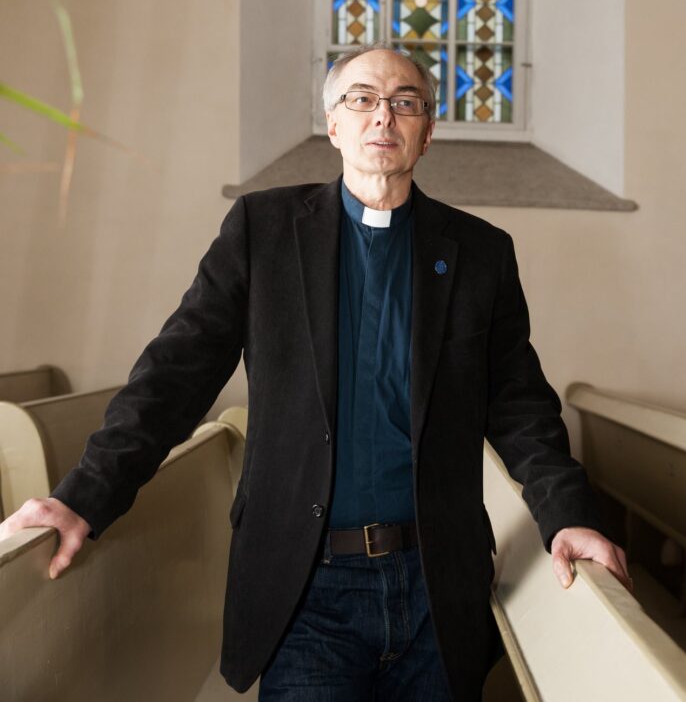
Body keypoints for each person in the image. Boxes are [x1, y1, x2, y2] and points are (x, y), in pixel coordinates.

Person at [0, 45, 630, 700]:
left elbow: (521, 406)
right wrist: (83, 496)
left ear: (427, 132)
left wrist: (569, 516)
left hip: (437, 585)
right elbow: (174, 374)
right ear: (333, 124)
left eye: (405, 102)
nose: (382, 116)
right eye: (362, 99)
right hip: (306, 588)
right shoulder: (262, 231)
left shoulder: (480, 253)